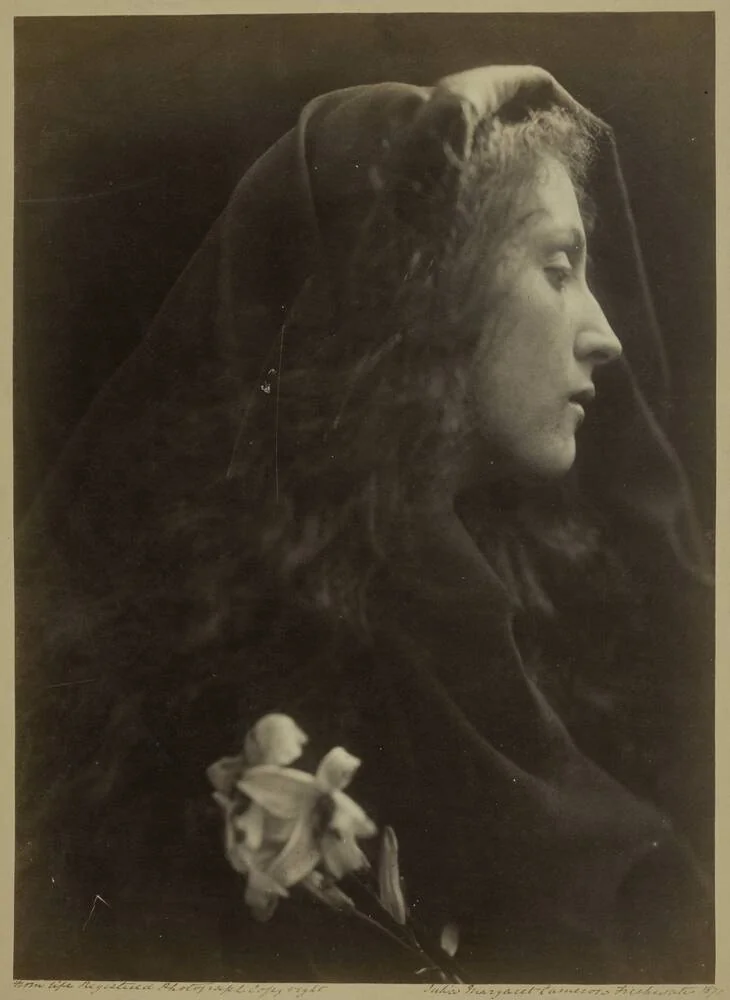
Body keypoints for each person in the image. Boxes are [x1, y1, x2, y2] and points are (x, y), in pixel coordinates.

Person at [14, 65, 713, 984]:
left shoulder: (494, 607)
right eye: (556, 268)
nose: (605, 332)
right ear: (429, 295)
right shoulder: (315, 667)